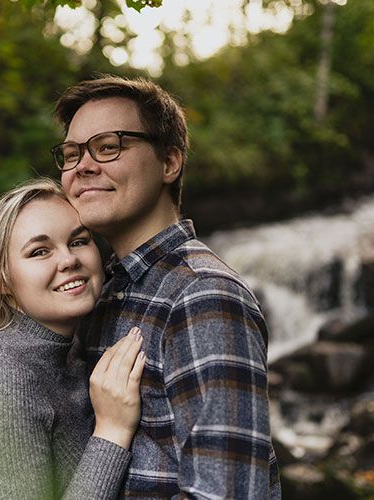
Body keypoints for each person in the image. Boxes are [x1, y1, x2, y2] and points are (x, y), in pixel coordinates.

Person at [52, 75, 281, 498]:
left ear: (169, 163)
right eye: (70, 154)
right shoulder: (96, 292)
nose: (82, 166)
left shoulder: (203, 297)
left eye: (108, 147)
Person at [0, 179, 147, 499]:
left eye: (78, 241)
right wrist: (112, 431)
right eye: (39, 251)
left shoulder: (71, 350)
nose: (68, 260)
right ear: (2, 280)